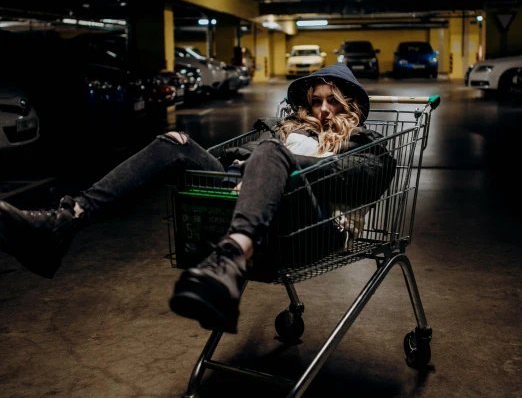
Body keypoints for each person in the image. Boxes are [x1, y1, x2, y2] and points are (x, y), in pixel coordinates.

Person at [0, 65, 395, 334]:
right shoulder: (283, 130)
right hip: (256, 209)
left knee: (271, 154)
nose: (322, 110)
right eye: (315, 101)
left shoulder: (364, 143)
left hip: (312, 230)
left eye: (332, 101)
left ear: (350, 105)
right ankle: (65, 220)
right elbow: (236, 161)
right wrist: (240, 166)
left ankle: (231, 260)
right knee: (175, 143)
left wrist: (278, 161)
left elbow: (363, 182)